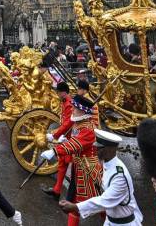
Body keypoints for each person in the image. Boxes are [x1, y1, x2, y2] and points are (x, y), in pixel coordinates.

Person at [39, 95, 102, 226]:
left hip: (88, 171)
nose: (72, 109)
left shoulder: (88, 128)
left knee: (99, 205)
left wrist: (54, 151)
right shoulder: (80, 123)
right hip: (79, 167)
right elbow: (75, 141)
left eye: (75, 108)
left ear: (83, 111)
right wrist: (63, 139)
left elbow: (76, 144)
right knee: (74, 204)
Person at [58, 129, 142, 226]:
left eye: (99, 148)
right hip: (111, 221)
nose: (96, 151)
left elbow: (105, 200)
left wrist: (76, 207)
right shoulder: (106, 164)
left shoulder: (119, 175)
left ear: (110, 149)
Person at [43, 81, 73, 200]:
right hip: (65, 137)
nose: (57, 93)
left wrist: (56, 135)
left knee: (71, 166)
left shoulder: (69, 103)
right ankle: (57, 190)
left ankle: (74, 196)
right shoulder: (65, 102)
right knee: (62, 164)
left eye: (58, 92)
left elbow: (69, 123)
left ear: (63, 92)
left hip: (70, 138)